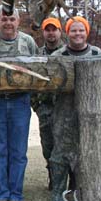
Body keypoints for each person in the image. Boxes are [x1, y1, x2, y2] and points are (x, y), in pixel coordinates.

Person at [0, 6, 38, 201]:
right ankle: (0, 194)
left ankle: (16, 195)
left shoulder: (28, 42)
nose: (8, 23)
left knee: (18, 152)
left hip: (20, 101)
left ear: (18, 22)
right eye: (4, 19)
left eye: (12, 19)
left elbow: (36, 70)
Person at [49, 16, 101, 201]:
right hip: (63, 115)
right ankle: (57, 195)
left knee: (86, 155)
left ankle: (81, 193)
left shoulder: (97, 54)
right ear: (67, 32)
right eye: (73, 30)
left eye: (81, 30)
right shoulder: (58, 56)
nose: (77, 34)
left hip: (91, 116)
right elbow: (47, 84)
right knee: (59, 156)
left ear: (87, 32)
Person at [31, 17, 64, 190]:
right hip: (45, 109)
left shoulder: (67, 53)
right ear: (43, 32)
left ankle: (69, 181)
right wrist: (36, 106)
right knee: (48, 146)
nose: (51, 33)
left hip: (65, 108)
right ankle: (53, 180)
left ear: (60, 31)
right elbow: (31, 81)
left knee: (65, 145)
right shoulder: (37, 54)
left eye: (54, 29)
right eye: (48, 30)